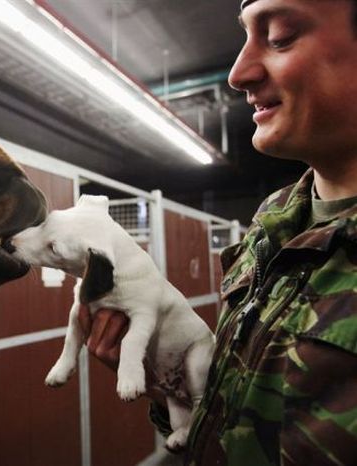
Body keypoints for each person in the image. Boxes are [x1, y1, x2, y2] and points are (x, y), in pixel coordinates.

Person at [81, 0, 357, 464]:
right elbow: (241, 419)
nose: (238, 72)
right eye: (244, 39)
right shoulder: (275, 218)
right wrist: (171, 391)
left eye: (281, 37)